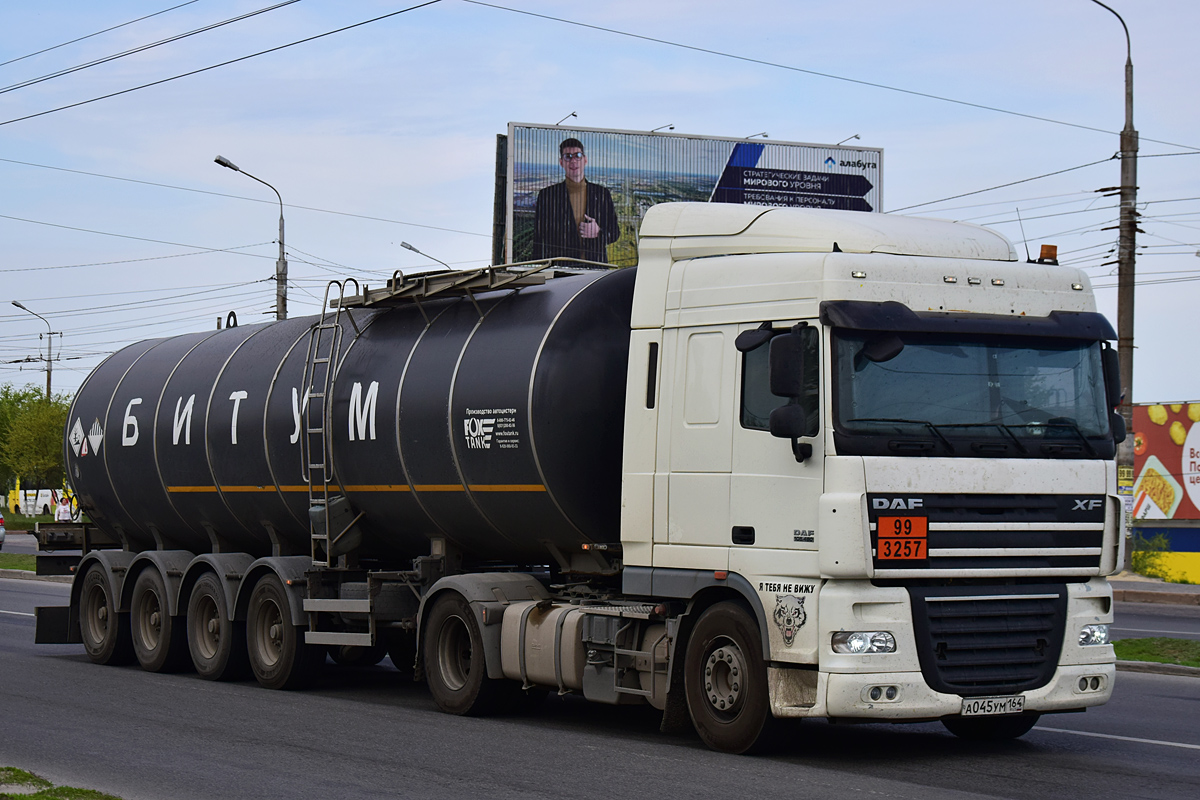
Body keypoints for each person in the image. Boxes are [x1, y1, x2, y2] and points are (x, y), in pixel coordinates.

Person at [533, 138, 620, 263]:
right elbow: (538, 239)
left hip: (595, 270)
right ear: (561, 162)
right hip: (560, 271)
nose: (573, 161)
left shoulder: (602, 194)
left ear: (585, 160)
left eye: (577, 155)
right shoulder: (547, 196)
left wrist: (598, 233)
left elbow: (615, 233)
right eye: (568, 157)